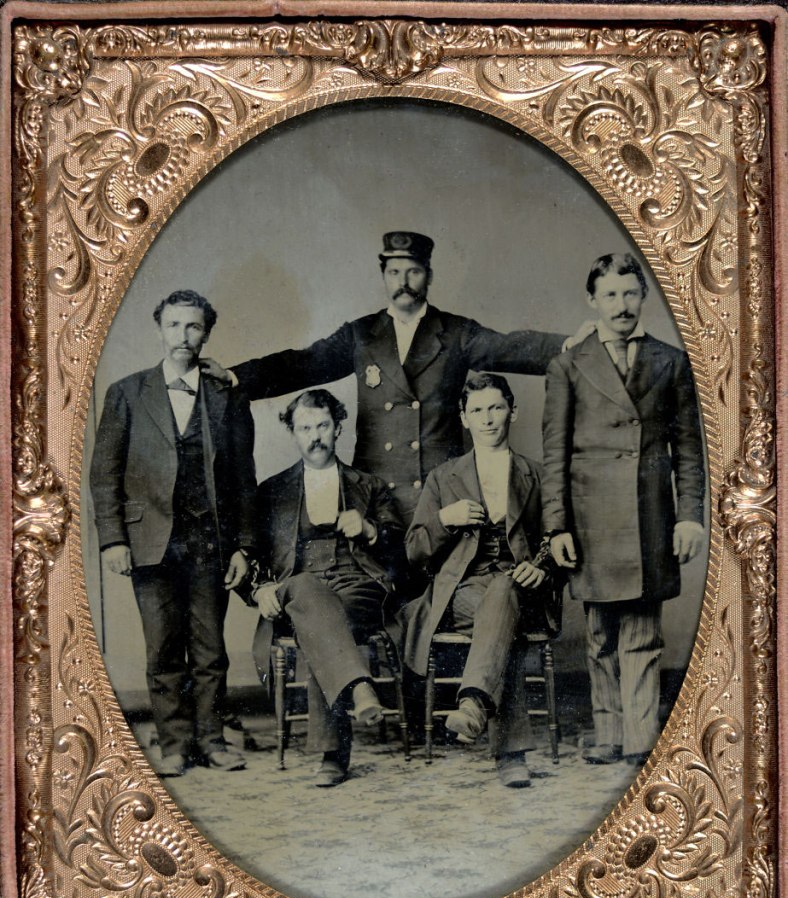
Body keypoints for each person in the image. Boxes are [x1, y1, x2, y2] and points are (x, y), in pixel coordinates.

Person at [203, 231, 589, 520]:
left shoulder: (455, 332)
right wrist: (237, 376)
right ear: (383, 276)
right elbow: (302, 363)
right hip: (375, 492)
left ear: (429, 275)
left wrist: (567, 344)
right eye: (394, 271)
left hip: (441, 489)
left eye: (414, 271)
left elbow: (509, 347)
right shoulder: (360, 334)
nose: (403, 281)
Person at [541, 253, 705, 767]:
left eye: (630, 293)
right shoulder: (568, 364)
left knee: (643, 631)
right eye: (610, 295)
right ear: (592, 301)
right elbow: (554, 453)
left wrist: (689, 515)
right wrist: (556, 526)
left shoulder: (669, 360)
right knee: (600, 633)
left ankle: (639, 737)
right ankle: (608, 731)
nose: (622, 305)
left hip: (649, 515)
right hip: (592, 518)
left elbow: (690, 449)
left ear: (644, 296)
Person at [90, 290, 257, 777]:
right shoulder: (126, 392)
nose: (184, 336)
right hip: (149, 541)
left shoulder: (227, 395)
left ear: (207, 332)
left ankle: (211, 739)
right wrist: (113, 539)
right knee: (162, 646)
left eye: (194, 327)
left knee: (210, 649)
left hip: (211, 540)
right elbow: (105, 475)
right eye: (175, 326)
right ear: (160, 329)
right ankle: (174, 744)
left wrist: (244, 546)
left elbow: (244, 479)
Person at [403, 373, 557, 788]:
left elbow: (558, 541)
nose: (488, 419)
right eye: (477, 411)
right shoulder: (443, 477)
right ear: (464, 418)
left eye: (496, 408)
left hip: (522, 588)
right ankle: (511, 755)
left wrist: (542, 569)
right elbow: (414, 549)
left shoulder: (536, 475)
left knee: (504, 591)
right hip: (462, 591)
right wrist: (443, 520)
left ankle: (473, 704)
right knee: (498, 608)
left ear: (513, 412)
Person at [250, 389, 404, 787]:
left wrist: (370, 530)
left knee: (321, 624)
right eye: (305, 428)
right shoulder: (272, 491)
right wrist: (260, 589)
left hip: (358, 583)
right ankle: (359, 688)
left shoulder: (368, 485)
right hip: (301, 586)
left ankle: (332, 756)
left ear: (338, 428)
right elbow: (248, 555)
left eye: (322, 426)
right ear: (293, 433)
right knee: (308, 597)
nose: (314, 436)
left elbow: (399, 544)